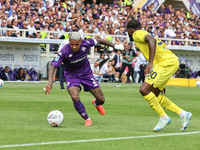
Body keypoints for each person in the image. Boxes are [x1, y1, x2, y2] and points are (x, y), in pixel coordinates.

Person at [44, 32, 129, 126]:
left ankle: (96, 103)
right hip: (72, 75)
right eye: (72, 44)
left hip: (87, 74)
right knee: (74, 96)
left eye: (77, 44)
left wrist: (115, 46)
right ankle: (87, 119)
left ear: (81, 41)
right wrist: (50, 81)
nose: (74, 47)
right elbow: (53, 65)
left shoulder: (87, 43)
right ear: (69, 42)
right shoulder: (64, 51)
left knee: (101, 100)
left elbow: (100, 40)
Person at [126, 19, 192, 132]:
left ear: (131, 30)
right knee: (154, 95)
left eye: (128, 31)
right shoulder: (143, 34)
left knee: (143, 90)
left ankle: (163, 117)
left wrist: (150, 63)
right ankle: (183, 114)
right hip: (169, 62)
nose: (128, 33)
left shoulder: (137, 34)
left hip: (164, 63)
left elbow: (152, 41)